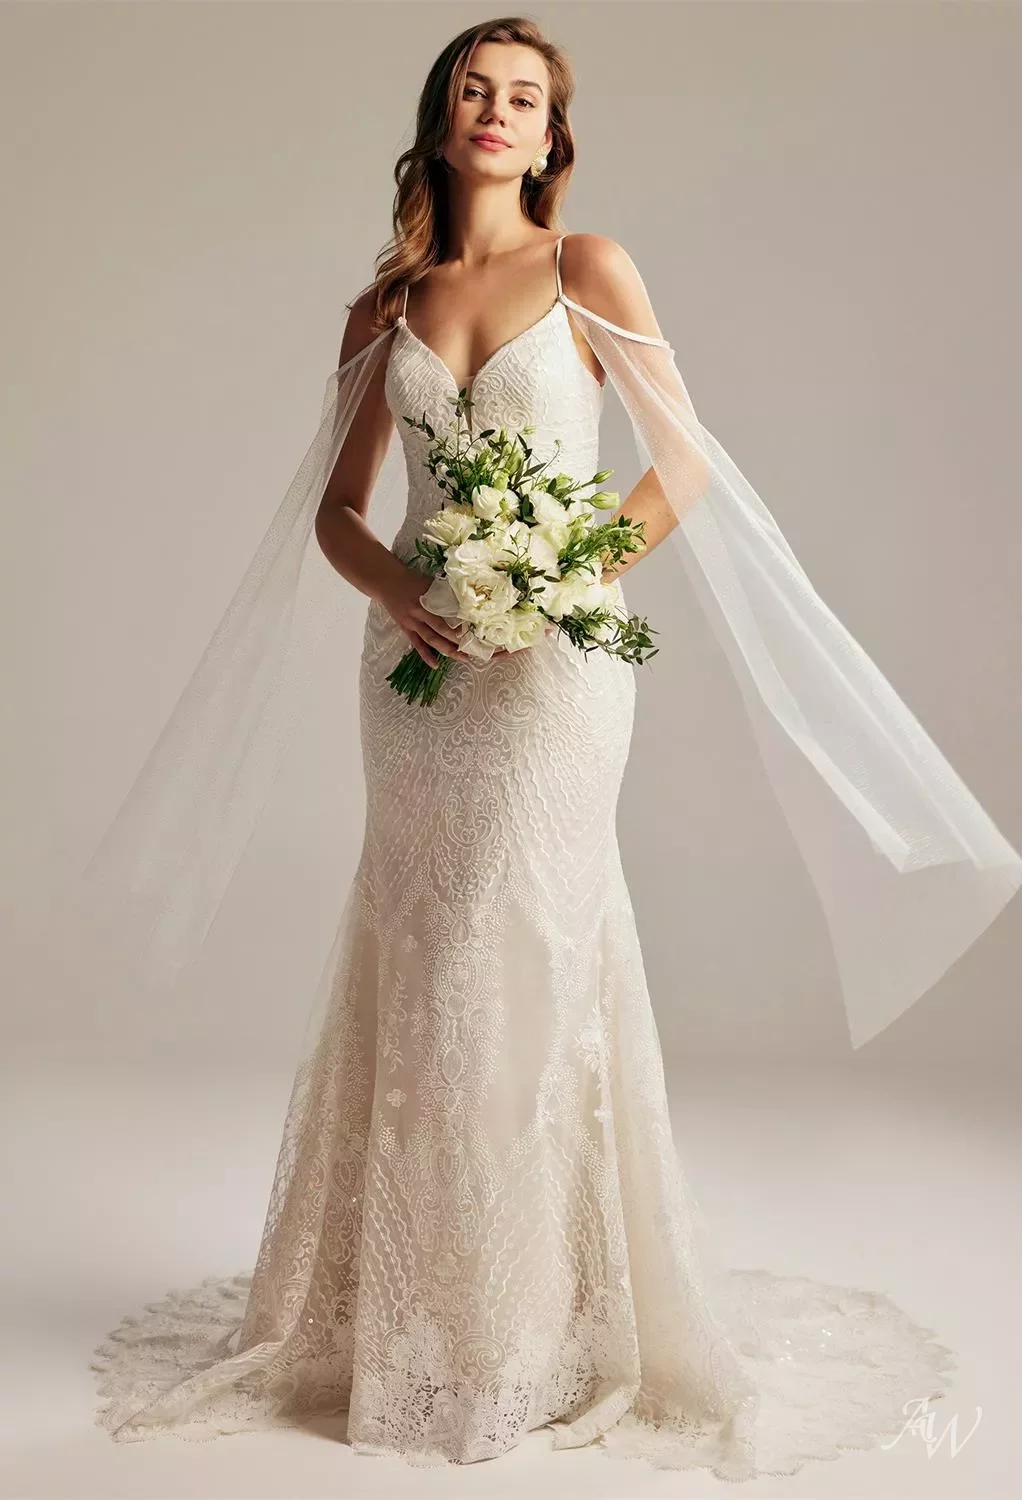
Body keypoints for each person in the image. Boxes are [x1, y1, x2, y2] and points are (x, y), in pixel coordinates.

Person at [84, 14, 1017, 1481]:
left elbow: (684, 461)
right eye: (476, 89)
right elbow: (336, 512)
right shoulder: (383, 306)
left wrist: (569, 575)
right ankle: (417, 1314)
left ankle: (540, 1328)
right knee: (422, 947)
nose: (498, 112)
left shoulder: (588, 270)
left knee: (520, 948)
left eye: (525, 96)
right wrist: (407, 590)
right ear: (440, 116)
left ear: (553, 133)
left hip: (558, 677)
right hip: (415, 673)